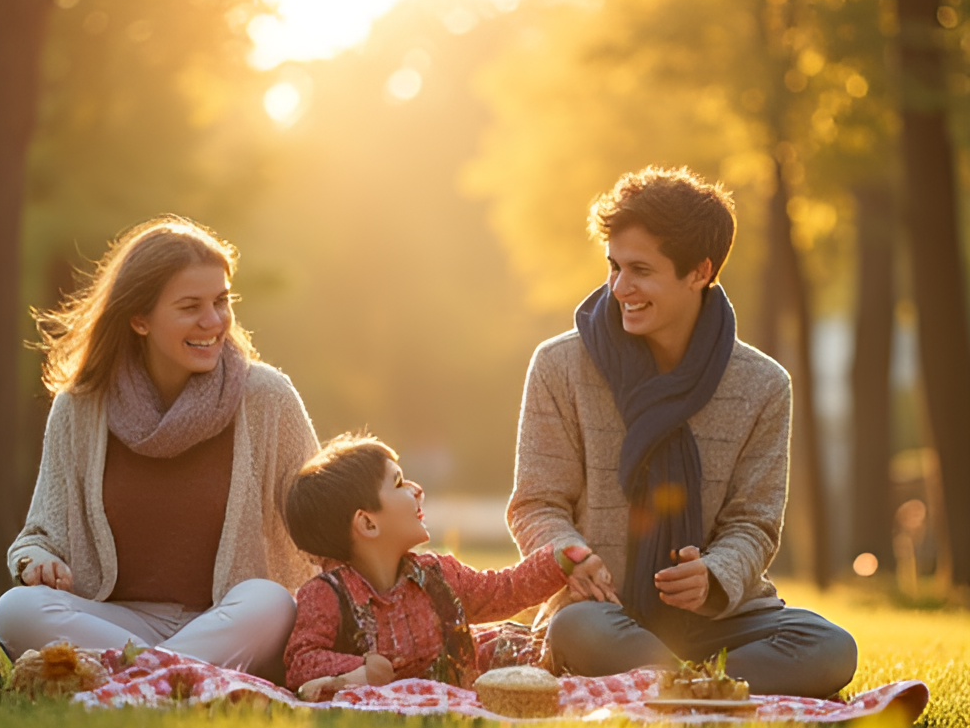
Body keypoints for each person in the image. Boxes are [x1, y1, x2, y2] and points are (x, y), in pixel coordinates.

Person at [507, 166, 857, 699]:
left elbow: (754, 523)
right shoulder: (559, 366)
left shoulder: (763, 385)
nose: (620, 288)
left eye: (641, 270)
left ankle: (668, 683)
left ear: (699, 271)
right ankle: (707, 687)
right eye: (614, 266)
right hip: (603, 613)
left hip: (720, 621)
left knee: (830, 647)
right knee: (576, 630)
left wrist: (713, 576)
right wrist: (570, 556)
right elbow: (537, 504)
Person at [0, 215, 319, 682]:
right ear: (139, 319)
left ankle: (127, 678)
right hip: (117, 622)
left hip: (228, 620)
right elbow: (39, 535)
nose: (214, 321)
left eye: (221, 301)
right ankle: (174, 676)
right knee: (14, 609)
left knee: (271, 602)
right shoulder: (81, 407)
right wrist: (36, 562)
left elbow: (318, 522)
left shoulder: (267, 398)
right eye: (190, 306)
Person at [280, 434, 589, 699]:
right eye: (399, 482)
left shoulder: (438, 574)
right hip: (395, 702)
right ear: (368, 524)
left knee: (533, 649)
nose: (417, 489)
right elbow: (301, 661)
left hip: (464, 675)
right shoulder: (326, 596)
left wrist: (561, 559)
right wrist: (360, 667)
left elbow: (504, 589)